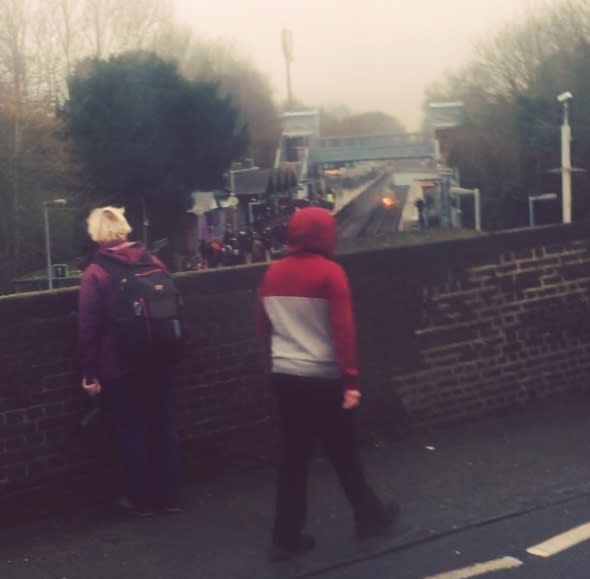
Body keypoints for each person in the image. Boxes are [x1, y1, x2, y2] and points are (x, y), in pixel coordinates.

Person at [256, 207, 398, 562]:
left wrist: (278, 361)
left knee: (293, 458)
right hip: (324, 379)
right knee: (344, 453)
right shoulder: (331, 274)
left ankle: (285, 538)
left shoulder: (271, 274)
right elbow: (343, 330)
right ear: (324, 234)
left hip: (285, 376)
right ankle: (370, 519)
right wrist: (350, 379)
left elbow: (263, 327)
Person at [78, 206, 182, 516]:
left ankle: (142, 500)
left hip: (119, 364)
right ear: (124, 228)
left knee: (131, 430)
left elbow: (88, 326)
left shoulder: (96, 271)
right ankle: (172, 497)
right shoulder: (153, 261)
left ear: (96, 233)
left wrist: (89, 372)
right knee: (163, 425)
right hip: (159, 357)